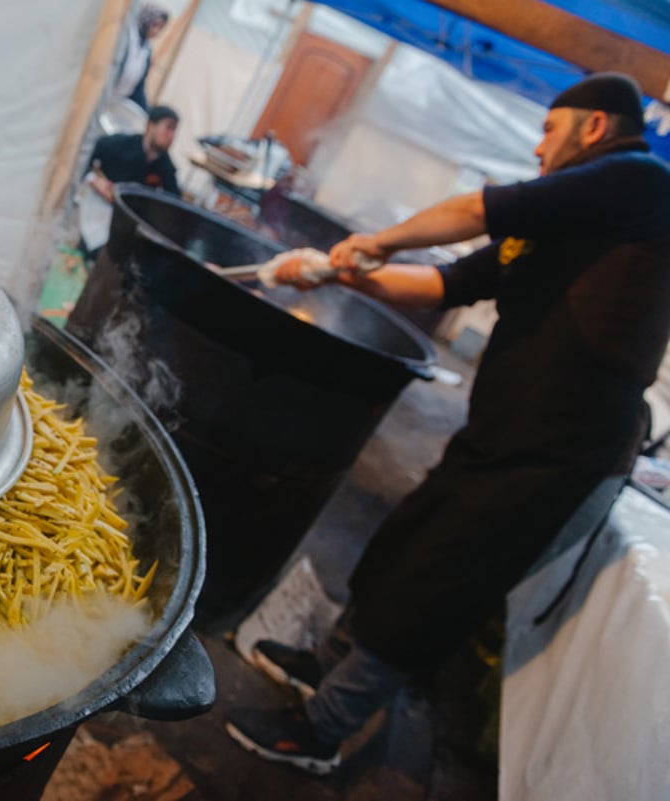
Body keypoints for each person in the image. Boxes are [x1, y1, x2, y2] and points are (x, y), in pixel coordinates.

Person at [224, 71, 670, 775]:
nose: (537, 146)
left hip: (558, 450)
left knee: (435, 584)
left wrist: (378, 241)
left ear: (594, 128)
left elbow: (472, 208)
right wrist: (338, 272)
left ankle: (322, 728)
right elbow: (444, 285)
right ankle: (324, 665)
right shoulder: (564, 224)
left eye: (550, 130)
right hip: (502, 431)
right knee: (403, 544)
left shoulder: (639, 179)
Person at [78, 104, 181, 259]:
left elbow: (173, 201)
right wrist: (94, 179)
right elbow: (85, 159)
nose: (171, 136)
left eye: (174, 131)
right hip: (100, 209)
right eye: (168, 128)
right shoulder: (119, 145)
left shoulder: (166, 167)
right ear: (150, 126)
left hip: (127, 223)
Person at [113, 4, 170, 111]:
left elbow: (139, 85)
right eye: (155, 25)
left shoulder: (147, 50)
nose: (157, 32)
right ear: (146, 20)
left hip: (121, 100)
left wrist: (145, 111)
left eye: (161, 28)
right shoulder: (126, 38)